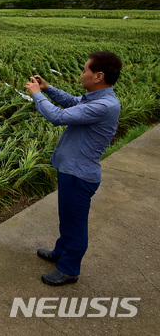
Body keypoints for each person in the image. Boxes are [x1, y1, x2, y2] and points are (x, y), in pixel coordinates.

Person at [24, 51, 122, 286]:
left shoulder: (104, 106)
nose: (82, 74)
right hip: (73, 171)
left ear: (98, 76)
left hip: (79, 175)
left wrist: (37, 95)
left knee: (75, 224)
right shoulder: (96, 99)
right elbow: (71, 102)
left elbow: (58, 116)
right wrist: (48, 89)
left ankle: (69, 269)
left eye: (85, 70)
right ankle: (60, 252)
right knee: (67, 219)